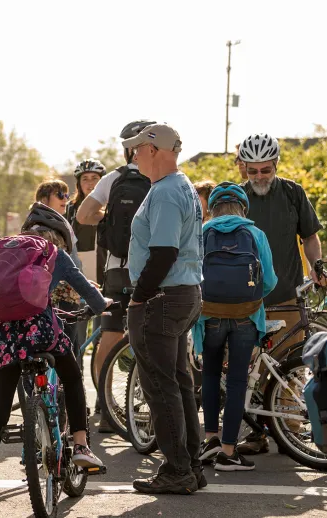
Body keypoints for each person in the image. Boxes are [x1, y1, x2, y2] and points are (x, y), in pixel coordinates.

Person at [0, 203, 111, 510]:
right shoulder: (54, 252)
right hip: (41, 332)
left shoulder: (5, 248)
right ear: (59, 236)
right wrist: (103, 305)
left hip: (5, 338)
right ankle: (82, 446)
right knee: (72, 378)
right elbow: (88, 293)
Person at [122, 123, 205, 494]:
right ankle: (190, 465)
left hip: (163, 297)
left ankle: (178, 470)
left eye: (136, 148)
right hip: (182, 293)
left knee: (161, 386)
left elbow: (164, 251)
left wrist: (139, 295)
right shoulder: (179, 186)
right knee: (178, 382)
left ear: (153, 149)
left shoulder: (167, 191)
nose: (133, 155)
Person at [237, 132, 327, 455]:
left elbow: (310, 237)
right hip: (248, 299)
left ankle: (289, 431)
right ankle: (255, 433)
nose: (259, 176)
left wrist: (317, 266)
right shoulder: (237, 198)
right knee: (251, 369)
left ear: (276, 164)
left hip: (288, 295)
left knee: (289, 364)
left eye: (266, 169)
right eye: (253, 171)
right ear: (244, 168)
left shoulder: (293, 193)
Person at [75, 119, 156, 432]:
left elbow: (83, 215)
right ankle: (152, 412)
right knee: (154, 340)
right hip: (153, 271)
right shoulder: (163, 178)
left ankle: (107, 408)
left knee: (108, 338)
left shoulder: (113, 178)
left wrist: (108, 218)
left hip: (116, 272)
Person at [192, 183, 277, 472]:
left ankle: (210, 439)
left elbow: (191, 272)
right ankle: (229, 451)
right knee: (238, 379)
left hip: (210, 315)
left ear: (212, 208)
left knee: (211, 376)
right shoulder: (255, 234)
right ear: (243, 207)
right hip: (247, 316)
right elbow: (271, 281)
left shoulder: (202, 232)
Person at [35, 178, 88, 364]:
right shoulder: (53, 226)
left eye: (66, 193)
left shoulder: (34, 224)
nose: (65, 198)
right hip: (63, 297)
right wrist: (82, 283)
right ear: (43, 200)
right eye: (59, 194)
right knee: (70, 355)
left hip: (41, 297)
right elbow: (68, 264)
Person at [67, 160, 106, 281]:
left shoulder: (111, 205)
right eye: (85, 179)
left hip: (104, 264)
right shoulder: (70, 208)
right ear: (79, 183)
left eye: (94, 178)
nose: (90, 183)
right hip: (77, 265)